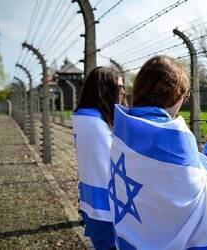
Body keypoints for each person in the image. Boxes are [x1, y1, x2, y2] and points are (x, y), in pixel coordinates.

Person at [108, 56, 207, 249]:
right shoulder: (174, 135)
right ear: (176, 94)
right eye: (185, 95)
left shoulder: (121, 130)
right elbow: (206, 191)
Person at [72, 66, 126, 250]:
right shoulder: (98, 126)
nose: (123, 92)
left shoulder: (83, 118)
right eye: (119, 87)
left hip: (92, 204)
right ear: (105, 89)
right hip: (108, 211)